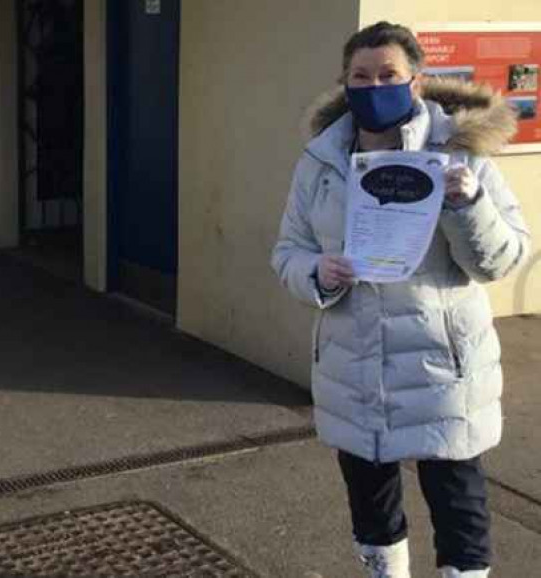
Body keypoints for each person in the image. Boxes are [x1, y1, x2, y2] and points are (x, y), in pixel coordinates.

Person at [271, 21, 530, 578]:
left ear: (417, 82)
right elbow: (288, 250)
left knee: (459, 512)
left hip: (442, 370)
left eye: (389, 75)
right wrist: (317, 270)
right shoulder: (321, 161)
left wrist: (471, 203)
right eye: (360, 77)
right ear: (345, 83)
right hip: (353, 366)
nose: (374, 87)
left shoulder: (459, 153)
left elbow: (504, 259)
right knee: (372, 508)